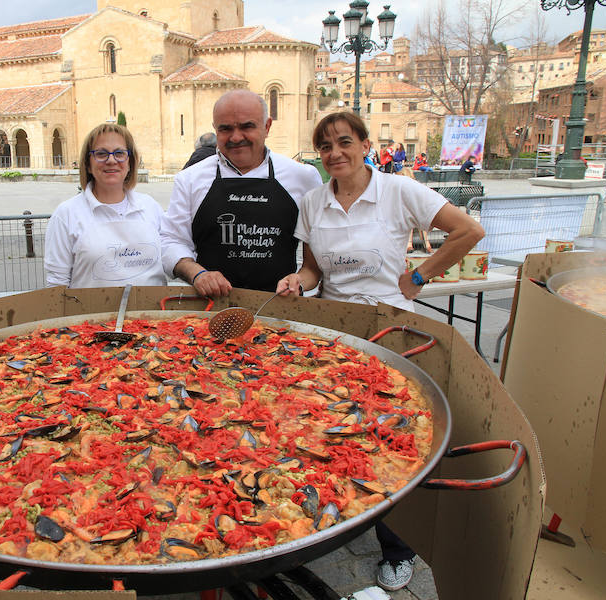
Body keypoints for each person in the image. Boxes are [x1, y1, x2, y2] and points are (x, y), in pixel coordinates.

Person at [275, 112, 483, 591]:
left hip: (391, 327)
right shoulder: (313, 201)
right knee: (330, 431)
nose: (335, 153)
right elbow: (312, 270)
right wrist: (297, 282)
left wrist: (418, 276)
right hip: (335, 331)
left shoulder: (398, 190)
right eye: (325, 147)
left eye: (345, 142)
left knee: (388, 440)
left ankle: (398, 548)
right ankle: (332, 515)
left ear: (366, 145)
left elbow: (468, 231)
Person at [160, 89, 323, 296]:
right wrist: (197, 274)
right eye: (225, 129)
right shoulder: (189, 179)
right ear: (215, 129)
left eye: (247, 126)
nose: (236, 137)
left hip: (278, 305)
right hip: (209, 306)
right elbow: (172, 241)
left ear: (267, 127)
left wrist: (298, 282)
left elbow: (315, 257)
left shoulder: (303, 176)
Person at [45, 123, 166, 288]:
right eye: (101, 154)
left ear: (130, 163)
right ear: (88, 164)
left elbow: (170, 255)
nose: (111, 160)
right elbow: (57, 284)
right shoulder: (66, 215)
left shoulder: (151, 207)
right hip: (90, 306)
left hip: (152, 305)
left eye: (119, 153)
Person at [398, 167, 433, 253]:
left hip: (412, 213)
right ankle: (427, 245)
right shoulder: (415, 186)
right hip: (409, 213)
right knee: (414, 218)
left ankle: (411, 245)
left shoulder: (403, 186)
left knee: (415, 217)